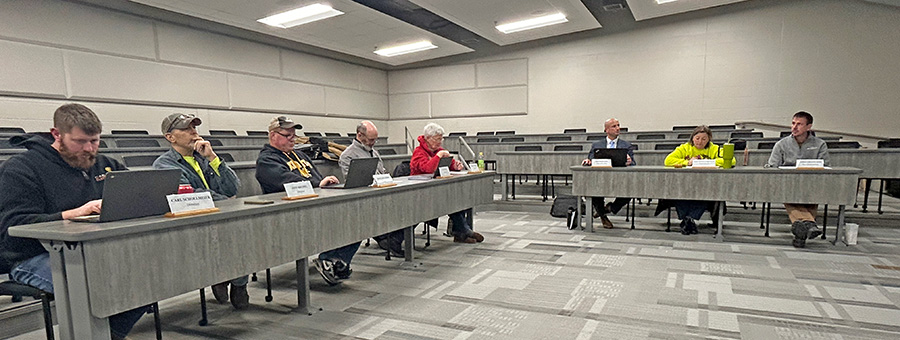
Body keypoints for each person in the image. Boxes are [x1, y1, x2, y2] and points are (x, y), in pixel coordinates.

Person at [0, 103, 147, 340]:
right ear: (56, 134)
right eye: (80, 141)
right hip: (33, 257)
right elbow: (14, 228)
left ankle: (107, 335)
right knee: (101, 287)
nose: (89, 149)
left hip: (94, 251)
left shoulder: (105, 165)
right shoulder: (22, 169)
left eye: (95, 141)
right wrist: (74, 213)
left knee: (149, 278)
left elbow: (139, 194)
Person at [152, 113, 250, 310]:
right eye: (186, 129)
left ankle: (238, 282)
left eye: (194, 128)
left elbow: (232, 188)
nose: (194, 132)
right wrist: (227, 202)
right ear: (170, 137)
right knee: (230, 232)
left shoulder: (203, 157)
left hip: (219, 215)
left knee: (240, 229)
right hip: (192, 223)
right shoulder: (164, 164)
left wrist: (212, 158)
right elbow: (191, 195)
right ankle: (222, 276)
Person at [255, 116, 355, 286]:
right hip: (289, 211)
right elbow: (287, 181)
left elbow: (316, 177)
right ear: (273, 136)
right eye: (287, 135)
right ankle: (331, 260)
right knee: (345, 218)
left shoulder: (300, 155)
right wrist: (317, 184)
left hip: (312, 203)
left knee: (354, 214)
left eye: (294, 135)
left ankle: (334, 260)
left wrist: (325, 183)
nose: (293, 139)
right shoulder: (266, 160)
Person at [410, 123, 484, 244]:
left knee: (456, 199)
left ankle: (461, 232)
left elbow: (449, 165)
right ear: (428, 138)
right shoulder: (419, 152)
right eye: (437, 139)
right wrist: (438, 156)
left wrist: (455, 165)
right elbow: (428, 169)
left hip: (437, 189)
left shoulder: (439, 150)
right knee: (450, 200)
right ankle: (463, 232)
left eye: (441, 139)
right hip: (421, 192)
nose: (440, 142)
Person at [339, 120, 405, 257]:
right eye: (371, 139)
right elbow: (353, 182)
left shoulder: (374, 152)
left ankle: (391, 239)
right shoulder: (348, 155)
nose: (373, 142)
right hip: (366, 197)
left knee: (408, 206)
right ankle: (385, 238)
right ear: (359, 135)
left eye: (375, 139)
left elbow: (383, 172)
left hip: (381, 192)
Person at [765, 111, 829, 248]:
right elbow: (772, 166)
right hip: (787, 184)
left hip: (811, 183)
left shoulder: (820, 144)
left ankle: (801, 232)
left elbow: (825, 166)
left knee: (811, 197)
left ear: (809, 127)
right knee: (789, 195)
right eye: (793, 123)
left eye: (799, 124)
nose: (794, 127)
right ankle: (810, 224)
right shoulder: (781, 144)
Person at [663, 125, 735, 235]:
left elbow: (731, 161)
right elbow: (668, 161)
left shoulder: (715, 149)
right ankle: (688, 220)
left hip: (706, 184)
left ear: (709, 139)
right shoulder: (684, 148)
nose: (700, 142)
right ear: (692, 138)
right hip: (685, 184)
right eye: (697, 138)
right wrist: (687, 162)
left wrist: (707, 162)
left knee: (707, 195)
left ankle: (689, 220)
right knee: (678, 194)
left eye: (704, 139)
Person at [581, 118, 636, 228]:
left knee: (630, 191)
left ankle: (610, 208)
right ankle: (603, 217)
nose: (618, 128)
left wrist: (630, 162)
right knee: (593, 191)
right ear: (606, 130)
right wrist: (588, 161)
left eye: (618, 125)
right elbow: (591, 160)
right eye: (614, 126)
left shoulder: (626, 145)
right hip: (600, 178)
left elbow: (634, 163)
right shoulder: (597, 145)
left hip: (620, 179)